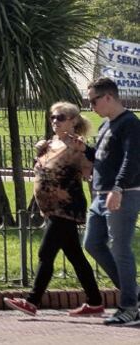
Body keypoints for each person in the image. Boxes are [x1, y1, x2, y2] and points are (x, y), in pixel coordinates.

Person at [4, 102, 104, 318]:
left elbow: (98, 163)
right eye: (52, 117)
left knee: (45, 252)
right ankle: (95, 301)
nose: (54, 121)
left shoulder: (76, 145)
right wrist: (39, 153)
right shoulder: (49, 144)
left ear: (73, 121)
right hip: (50, 209)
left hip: (67, 207)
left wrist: (86, 154)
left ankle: (32, 301)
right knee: (75, 256)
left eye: (60, 117)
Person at [83, 77, 140, 326]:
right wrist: (84, 150)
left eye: (93, 100)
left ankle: (129, 306)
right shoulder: (107, 125)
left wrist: (118, 188)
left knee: (120, 249)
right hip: (100, 196)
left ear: (108, 97)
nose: (90, 106)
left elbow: (132, 159)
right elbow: (103, 158)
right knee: (93, 243)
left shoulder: (130, 123)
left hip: (122, 194)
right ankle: (135, 296)